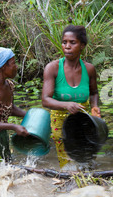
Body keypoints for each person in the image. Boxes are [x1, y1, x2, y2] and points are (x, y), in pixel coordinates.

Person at [42, 25, 101, 170]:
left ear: (82, 45)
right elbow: (45, 100)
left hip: (83, 121)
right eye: (64, 42)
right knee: (68, 167)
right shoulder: (53, 68)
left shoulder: (89, 69)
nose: (67, 46)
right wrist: (66, 105)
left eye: (72, 43)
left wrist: (95, 107)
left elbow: (94, 93)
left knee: (87, 162)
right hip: (60, 122)